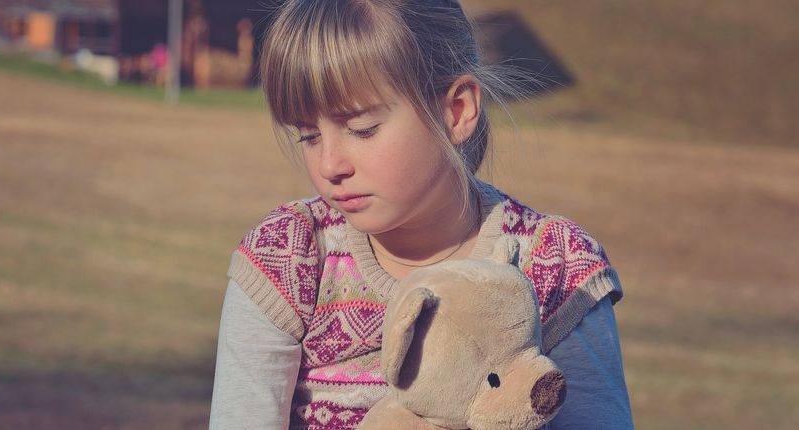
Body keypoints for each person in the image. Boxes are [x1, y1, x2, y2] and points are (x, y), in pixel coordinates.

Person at [209, 1, 634, 429]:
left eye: (361, 129)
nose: (329, 165)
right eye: (309, 135)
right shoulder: (289, 257)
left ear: (457, 111)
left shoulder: (554, 265)